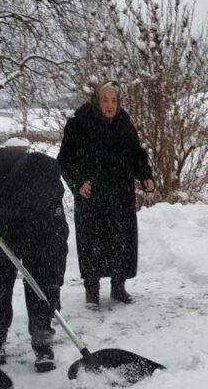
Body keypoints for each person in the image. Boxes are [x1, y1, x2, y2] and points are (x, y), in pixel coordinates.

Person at [0, 141, 68, 373]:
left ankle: (42, 339)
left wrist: (53, 285)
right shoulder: (1, 163)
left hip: (39, 233)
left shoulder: (52, 202)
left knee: (40, 282)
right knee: (1, 281)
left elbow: (58, 246)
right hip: (3, 227)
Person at [57, 81, 154, 309]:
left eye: (114, 100)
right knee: (93, 243)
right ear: (96, 101)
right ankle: (92, 290)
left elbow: (137, 155)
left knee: (121, 241)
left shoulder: (125, 124)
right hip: (93, 196)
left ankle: (118, 286)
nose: (110, 105)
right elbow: (65, 160)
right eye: (105, 100)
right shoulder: (79, 124)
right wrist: (78, 182)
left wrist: (145, 175)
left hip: (121, 194)